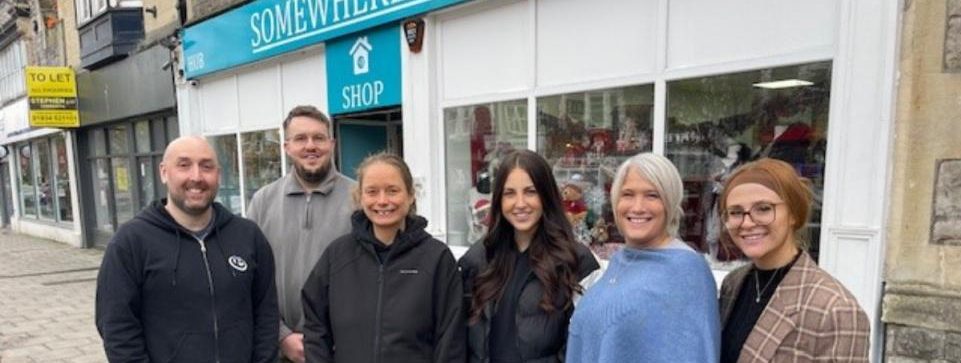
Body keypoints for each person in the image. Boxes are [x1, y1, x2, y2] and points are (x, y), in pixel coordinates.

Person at [95, 136, 278, 362]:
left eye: (206, 166)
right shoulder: (130, 242)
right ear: (164, 172)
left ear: (218, 174)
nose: (197, 176)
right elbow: (117, 328)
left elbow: (266, 316)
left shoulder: (248, 236)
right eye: (184, 165)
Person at [301, 152, 465, 363]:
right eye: (372, 192)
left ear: (411, 194)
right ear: (360, 197)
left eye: (392, 191)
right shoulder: (337, 256)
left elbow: (451, 340)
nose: (382, 201)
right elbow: (315, 328)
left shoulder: (436, 258)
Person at [566, 152, 719, 363]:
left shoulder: (686, 272)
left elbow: (693, 354)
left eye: (652, 195)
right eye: (628, 194)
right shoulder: (621, 261)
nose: (637, 207)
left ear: (670, 202)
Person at [717, 158, 869, 362]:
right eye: (735, 212)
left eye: (763, 208)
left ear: (793, 214)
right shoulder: (733, 284)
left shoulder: (835, 309)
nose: (747, 222)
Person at [459, 149, 600, 363]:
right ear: (499, 200)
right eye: (509, 193)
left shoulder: (577, 262)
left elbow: (582, 346)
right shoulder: (478, 258)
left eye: (530, 191)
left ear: (546, 195)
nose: (520, 203)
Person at [246, 105, 355, 363]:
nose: (310, 146)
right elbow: (248, 278)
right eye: (300, 138)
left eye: (318, 138)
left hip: (342, 349)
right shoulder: (263, 201)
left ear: (331, 143)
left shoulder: (359, 199)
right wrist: (281, 335)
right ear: (287, 147)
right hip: (277, 349)